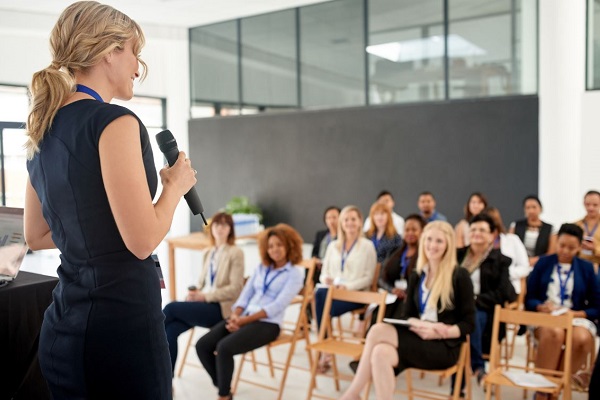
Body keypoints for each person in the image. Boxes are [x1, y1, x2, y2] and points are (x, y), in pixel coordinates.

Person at [23, 2, 197, 398]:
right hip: (122, 333)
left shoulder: (43, 127)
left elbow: (36, 234)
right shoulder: (115, 122)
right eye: (135, 52)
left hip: (64, 329)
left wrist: (103, 236)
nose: (139, 67)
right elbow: (142, 240)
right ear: (110, 52)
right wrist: (175, 186)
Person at [339, 221, 475, 400]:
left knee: (378, 330)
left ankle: (351, 394)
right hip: (418, 337)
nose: (432, 245)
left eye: (439, 241)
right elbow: (407, 315)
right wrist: (418, 324)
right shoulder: (417, 275)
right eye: (429, 239)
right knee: (380, 352)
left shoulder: (459, 276)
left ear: (448, 245)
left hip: (444, 346)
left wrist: (441, 332)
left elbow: (469, 323)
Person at [195, 224, 305, 400]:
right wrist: (236, 315)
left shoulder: (295, 273)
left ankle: (223, 395)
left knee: (224, 348)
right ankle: (223, 385)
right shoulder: (262, 268)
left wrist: (243, 321)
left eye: (279, 244)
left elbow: (277, 306)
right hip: (243, 317)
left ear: (289, 245)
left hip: (268, 324)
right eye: (270, 246)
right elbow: (245, 295)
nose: (275, 249)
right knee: (202, 345)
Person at [163, 212, 244, 373]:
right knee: (170, 331)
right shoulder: (209, 252)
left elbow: (235, 289)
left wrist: (204, 296)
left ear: (230, 229)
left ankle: (145, 338)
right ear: (211, 228)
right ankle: (167, 382)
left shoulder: (235, 252)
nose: (220, 228)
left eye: (224, 225)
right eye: (216, 224)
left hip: (220, 309)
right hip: (204, 305)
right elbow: (202, 283)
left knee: (171, 308)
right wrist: (194, 294)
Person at [525, 223, 600, 397]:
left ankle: (556, 387)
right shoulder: (544, 263)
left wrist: (575, 314)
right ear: (556, 242)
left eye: (571, 247)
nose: (565, 251)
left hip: (575, 317)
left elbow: (597, 307)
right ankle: (543, 391)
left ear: (580, 247)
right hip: (547, 317)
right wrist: (540, 306)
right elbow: (530, 299)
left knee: (581, 338)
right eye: (561, 245)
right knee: (554, 333)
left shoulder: (587, 268)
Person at [456, 213, 516, 387]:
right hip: (456, 305)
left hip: (482, 308)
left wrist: (474, 299)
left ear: (492, 235)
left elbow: (504, 293)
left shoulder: (500, 260)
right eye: (473, 229)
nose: (476, 233)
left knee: (471, 318)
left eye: (482, 230)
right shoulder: (458, 255)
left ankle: (477, 367)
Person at [315, 205, 377, 371]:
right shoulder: (333, 246)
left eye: (353, 219)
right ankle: (325, 344)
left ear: (360, 222)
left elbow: (368, 278)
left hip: (356, 294)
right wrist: (326, 279)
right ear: (341, 223)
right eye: (346, 219)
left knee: (321, 302)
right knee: (320, 293)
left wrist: (347, 286)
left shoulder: (367, 246)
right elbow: (323, 273)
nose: (349, 223)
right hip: (332, 293)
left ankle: (323, 344)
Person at [377, 214, 427, 319]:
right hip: (392, 297)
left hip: (411, 301)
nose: (410, 233)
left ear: (423, 232)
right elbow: (381, 278)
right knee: (376, 317)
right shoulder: (395, 252)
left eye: (414, 230)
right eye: (407, 230)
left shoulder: (426, 256)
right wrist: (392, 289)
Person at [486, 206, 531, 294]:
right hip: (485, 289)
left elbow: (525, 267)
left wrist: (505, 274)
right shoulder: (479, 244)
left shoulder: (512, 240)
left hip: (508, 288)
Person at [509, 195, 556, 266]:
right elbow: (509, 246)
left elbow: (552, 252)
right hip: (518, 264)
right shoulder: (516, 225)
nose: (531, 211)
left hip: (541, 264)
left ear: (540, 208)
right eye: (528, 208)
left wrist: (535, 260)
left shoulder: (550, 228)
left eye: (534, 207)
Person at [311, 206, 341, 286]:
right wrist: (316, 260)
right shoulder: (320, 234)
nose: (331, 221)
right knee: (311, 266)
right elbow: (314, 252)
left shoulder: (343, 237)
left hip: (333, 266)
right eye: (328, 218)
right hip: (319, 265)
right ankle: (310, 291)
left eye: (334, 217)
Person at [575, 190, 600, 267]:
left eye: (595, 205)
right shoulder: (577, 225)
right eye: (587, 204)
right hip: (580, 265)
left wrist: (594, 249)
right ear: (583, 204)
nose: (591, 208)